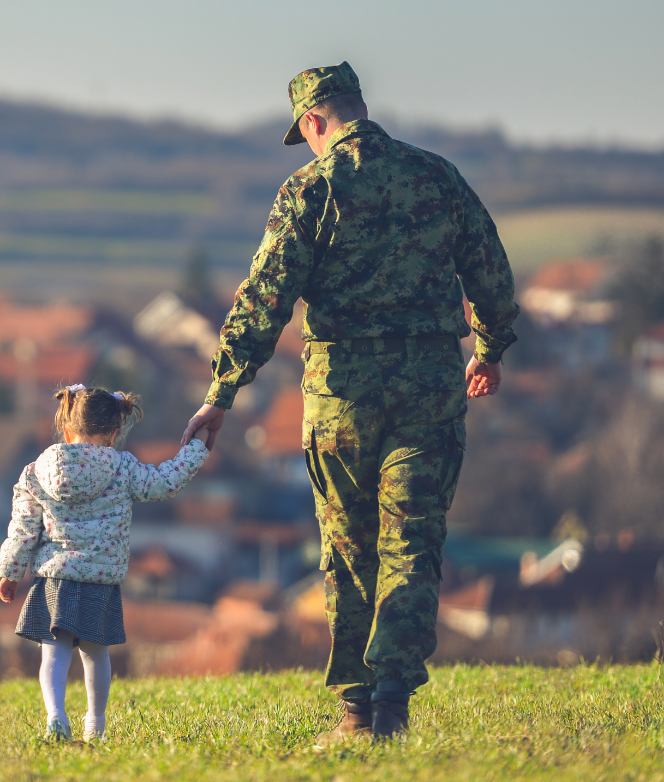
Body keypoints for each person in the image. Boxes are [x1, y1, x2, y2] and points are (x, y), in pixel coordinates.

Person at [181, 61, 519, 744]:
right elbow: (490, 268)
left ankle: (358, 715)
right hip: (429, 386)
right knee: (413, 545)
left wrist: (222, 390)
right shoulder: (435, 175)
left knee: (349, 550)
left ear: (313, 121)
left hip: (343, 400)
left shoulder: (311, 188)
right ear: (358, 106)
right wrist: (489, 348)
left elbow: (264, 299)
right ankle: (393, 706)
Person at [0, 384, 210, 742]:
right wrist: (196, 451)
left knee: (54, 652)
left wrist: (9, 571)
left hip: (55, 577)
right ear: (113, 433)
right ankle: (95, 726)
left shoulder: (35, 472)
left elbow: (23, 527)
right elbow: (164, 484)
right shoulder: (123, 467)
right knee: (96, 656)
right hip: (100, 578)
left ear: (67, 428)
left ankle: (55, 717)